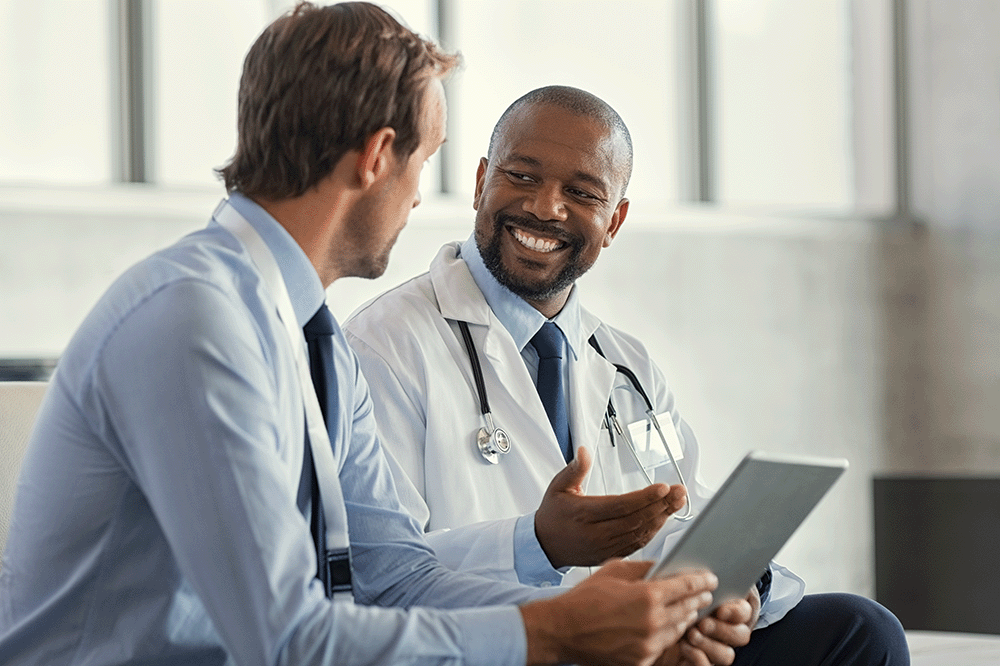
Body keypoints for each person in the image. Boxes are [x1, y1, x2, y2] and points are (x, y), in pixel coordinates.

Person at [0, 5, 724, 666]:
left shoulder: (314, 342)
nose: (418, 195)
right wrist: (558, 633)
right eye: (426, 160)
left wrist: (598, 613)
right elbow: (287, 639)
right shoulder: (195, 322)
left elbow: (394, 577)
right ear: (379, 156)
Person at [343, 85, 911, 665]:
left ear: (613, 221)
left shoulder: (625, 367)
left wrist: (735, 592)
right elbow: (380, 576)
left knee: (859, 631)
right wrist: (537, 545)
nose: (545, 207)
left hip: (637, 643)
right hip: (509, 647)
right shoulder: (385, 345)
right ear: (482, 181)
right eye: (522, 176)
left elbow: (682, 515)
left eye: (581, 193)